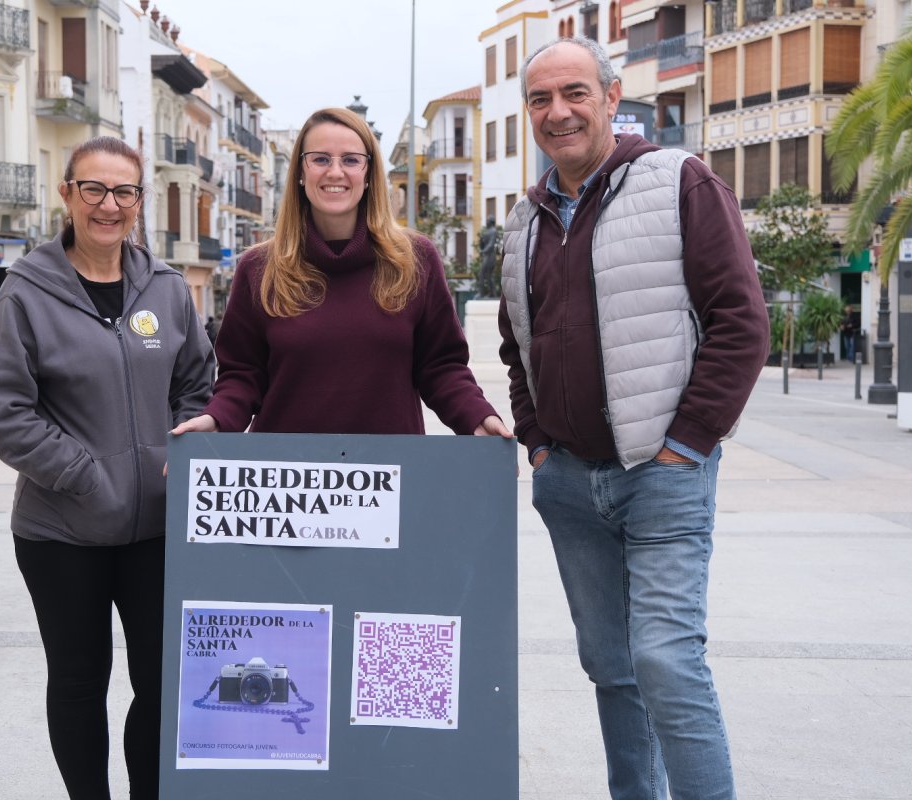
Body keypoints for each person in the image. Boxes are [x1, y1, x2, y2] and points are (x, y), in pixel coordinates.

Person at [498, 37, 768, 800]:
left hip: (663, 475)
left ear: (612, 99)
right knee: (612, 668)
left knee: (665, 662)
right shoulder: (525, 218)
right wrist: (538, 443)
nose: (559, 112)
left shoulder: (680, 182)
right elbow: (515, 344)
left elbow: (741, 324)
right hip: (570, 483)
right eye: (542, 99)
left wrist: (687, 445)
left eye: (575, 93)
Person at [0, 136, 214, 799]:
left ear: (140, 201)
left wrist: (180, 452)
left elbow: (199, 383)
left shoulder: (165, 289)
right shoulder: (27, 292)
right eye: (94, 190)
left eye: (125, 192)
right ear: (68, 195)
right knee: (80, 683)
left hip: (159, 530)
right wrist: (84, 474)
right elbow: (6, 411)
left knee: (163, 681)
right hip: (62, 531)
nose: (109, 206)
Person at [171, 107, 509, 438]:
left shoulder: (415, 259)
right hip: (286, 480)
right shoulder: (259, 268)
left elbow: (442, 367)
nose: (335, 172)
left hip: (390, 478)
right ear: (301, 173)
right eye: (320, 159)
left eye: (350, 160)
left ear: (368, 174)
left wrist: (477, 418)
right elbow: (242, 375)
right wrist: (214, 420)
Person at [477, 216, 499, 298]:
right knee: (489, 276)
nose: (486, 222)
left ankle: (481, 293)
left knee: (482, 274)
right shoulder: (488, 231)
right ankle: (492, 293)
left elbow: (491, 244)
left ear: (491, 222)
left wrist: (483, 251)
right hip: (487, 255)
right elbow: (484, 244)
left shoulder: (493, 231)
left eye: (487, 221)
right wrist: (481, 241)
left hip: (490, 256)